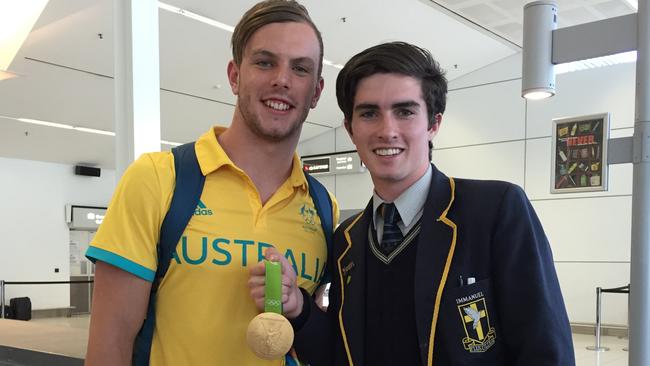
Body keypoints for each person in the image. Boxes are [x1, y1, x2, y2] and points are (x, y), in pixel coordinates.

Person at [250, 42, 575, 365]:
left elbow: (546, 351)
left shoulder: (494, 211)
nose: (387, 130)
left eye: (405, 111)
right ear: (350, 129)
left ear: (433, 124)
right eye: (369, 113)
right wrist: (298, 307)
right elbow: (337, 354)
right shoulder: (346, 240)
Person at [84, 1, 338, 365]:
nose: (282, 79)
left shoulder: (322, 205)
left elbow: (309, 336)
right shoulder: (159, 179)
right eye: (265, 62)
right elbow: (110, 343)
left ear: (315, 92)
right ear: (235, 76)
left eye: (300, 68)